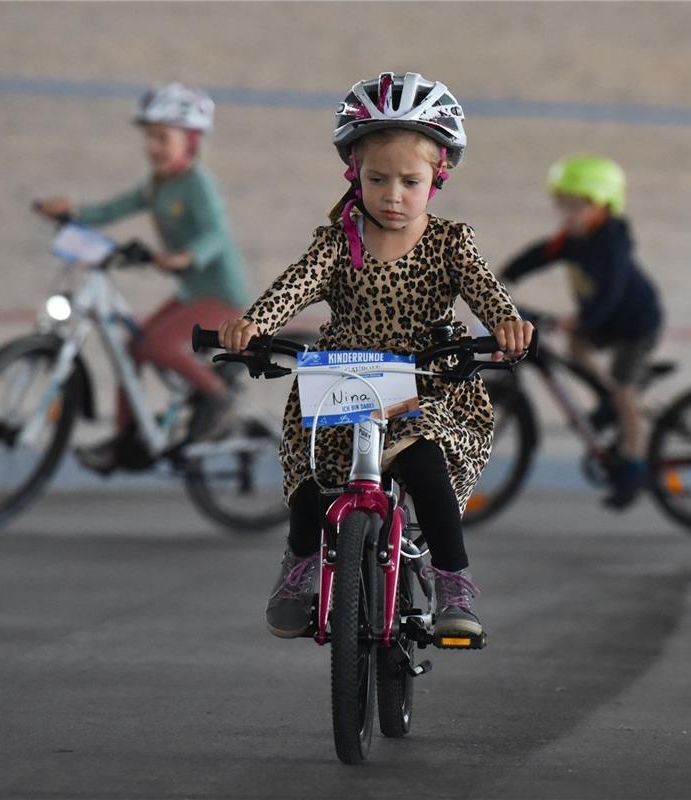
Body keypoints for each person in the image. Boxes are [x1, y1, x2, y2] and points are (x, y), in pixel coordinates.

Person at [216, 72, 533, 640]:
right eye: (376, 178)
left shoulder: (449, 242)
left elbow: (487, 292)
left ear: (438, 177)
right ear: (353, 174)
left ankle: (453, 583)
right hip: (344, 376)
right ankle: (300, 568)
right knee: (313, 477)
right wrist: (253, 323)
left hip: (427, 377)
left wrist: (506, 323)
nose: (392, 195)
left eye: (409, 181)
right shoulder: (340, 240)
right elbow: (294, 285)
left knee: (424, 463)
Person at [34, 82, 248, 473]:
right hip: (191, 291)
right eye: (149, 137)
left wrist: (187, 256)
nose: (153, 146)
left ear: (191, 142)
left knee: (157, 345)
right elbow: (115, 208)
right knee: (134, 348)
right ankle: (126, 440)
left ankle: (219, 396)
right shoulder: (157, 184)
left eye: (163, 138)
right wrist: (72, 212)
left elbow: (217, 234)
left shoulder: (197, 183)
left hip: (220, 294)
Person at [500, 155, 663, 510]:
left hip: (635, 325)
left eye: (576, 207)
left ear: (602, 206)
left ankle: (634, 465)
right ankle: (606, 399)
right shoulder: (574, 238)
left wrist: (577, 318)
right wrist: (503, 277)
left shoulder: (611, 243)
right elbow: (540, 254)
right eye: (563, 206)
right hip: (605, 321)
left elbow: (612, 292)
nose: (567, 215)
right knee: (575, 349)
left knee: (624, 393)